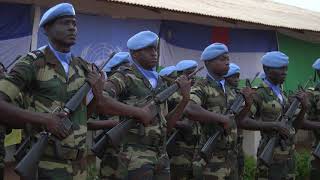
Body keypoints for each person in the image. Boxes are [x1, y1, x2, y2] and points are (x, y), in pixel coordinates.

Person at [88, 30, 191, 179]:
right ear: (134, 54)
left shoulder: (160, 83)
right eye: (148, 49)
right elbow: (101, 101)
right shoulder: (124, 76)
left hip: (160, 155)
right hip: (132, 156)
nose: (154, 53)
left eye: (155, 49)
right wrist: (139, 112)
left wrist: (185, 100)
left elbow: (166, 125)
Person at [237, 51, 308, 180]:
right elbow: (243, 121)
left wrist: (304, 108)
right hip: (270, 157)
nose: (285, 72)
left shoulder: (282, 94)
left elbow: (294, 128)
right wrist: (274, 125)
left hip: (288, 156)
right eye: (280, 68)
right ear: (267, 69)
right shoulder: (259, 94)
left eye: (286, 68)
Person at [184, 43, 240, 179]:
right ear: (208, 63)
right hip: (210, 159)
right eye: (222, 59)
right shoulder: (202, 86)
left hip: (231, 157)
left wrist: (248, 104)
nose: (227, 63)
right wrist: (220, 118)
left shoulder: (230, 89)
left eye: (228, 59)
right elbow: (190, 108)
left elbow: (237, 120)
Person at [224, 62, 245, 180]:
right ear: (226, 77)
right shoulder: (226, 93)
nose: (237, 79)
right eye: (234, 76)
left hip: (237, 139)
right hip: (225, 140)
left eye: (238, 76)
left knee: (239, 168)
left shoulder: (238, 93)